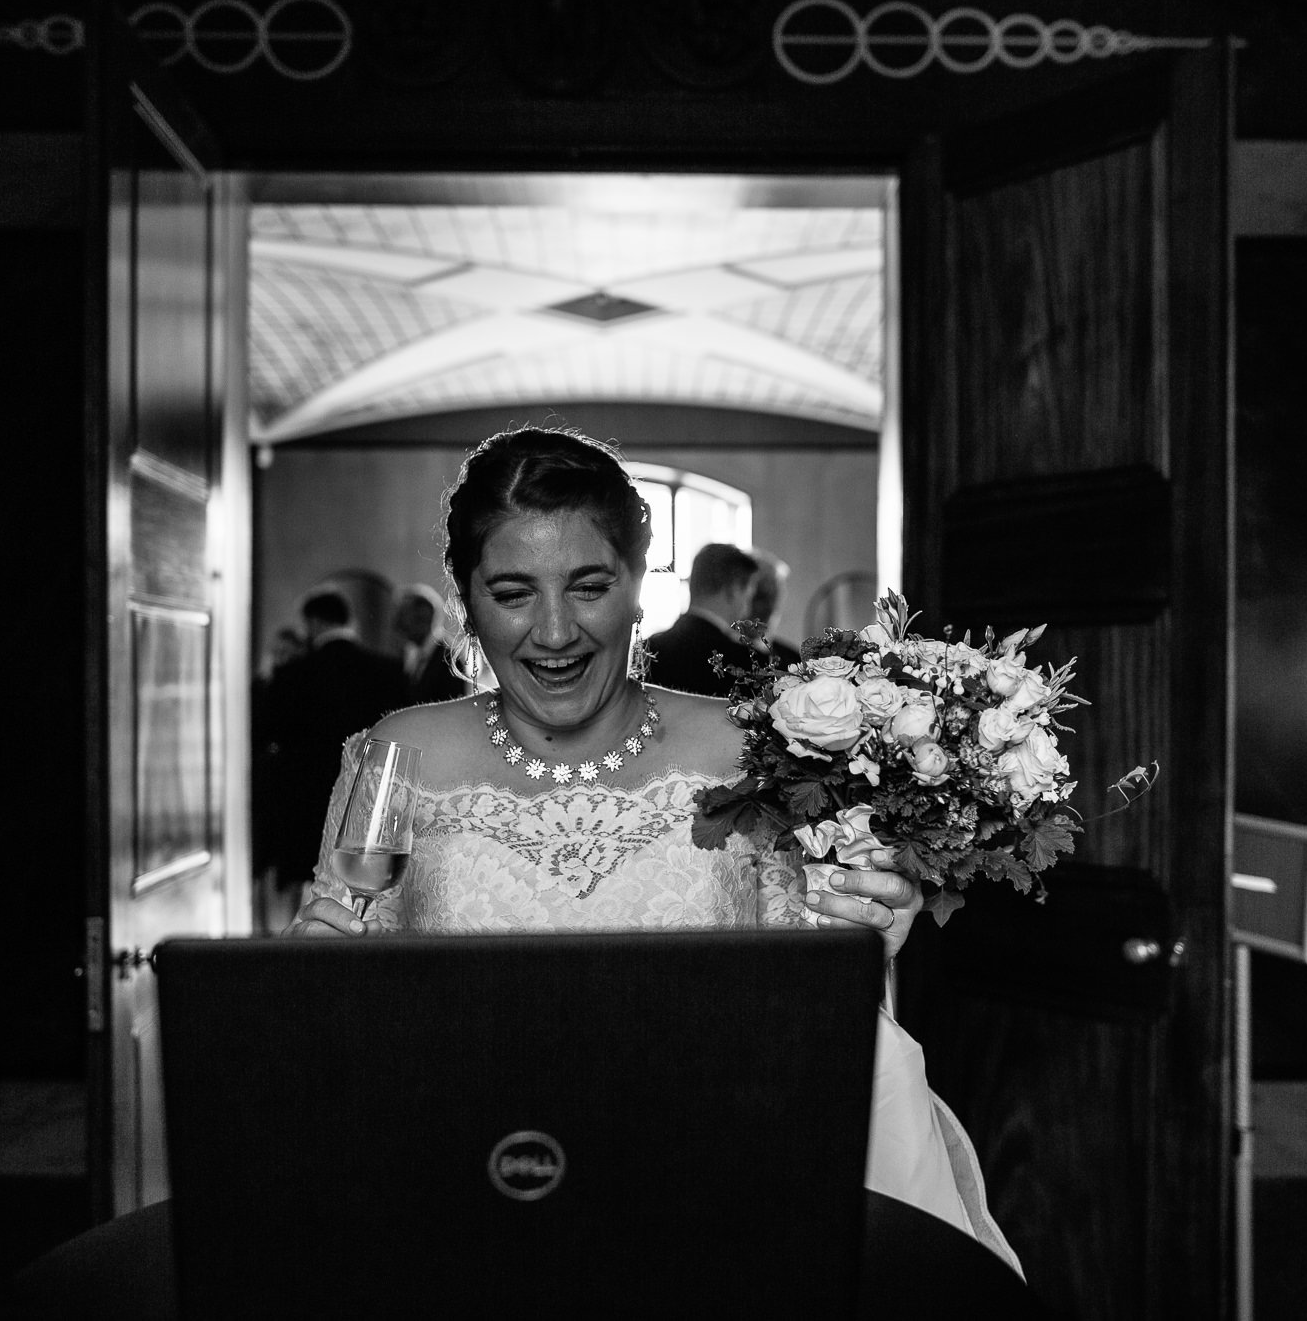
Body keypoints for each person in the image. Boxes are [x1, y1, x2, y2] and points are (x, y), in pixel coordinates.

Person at [286, 427, 1019, 1272]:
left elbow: (813, 1001)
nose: (554, 631)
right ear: (468, 597)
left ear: (640, 586)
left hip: (715, 1203)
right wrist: (311, 978)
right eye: (514, 592)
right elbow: (337, 973)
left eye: (590, 585)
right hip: (469, 1197)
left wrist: (865, 937)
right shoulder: (397, 756)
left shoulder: (753, 753)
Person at [255, 589, 409, 932]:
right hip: (372, 812)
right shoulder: (387, 670)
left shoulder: (294, 673)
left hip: (303, 803)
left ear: (313, 622)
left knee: (307, 896)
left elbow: (265, 734)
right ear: (347, 620)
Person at [643, 541, 763, 695]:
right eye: (749, 594)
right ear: (734, 590)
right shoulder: (744, 662)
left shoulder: (647, 650)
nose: (749, 605)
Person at [390, 581, 468, 707]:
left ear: (423, 617)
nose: (398, 624)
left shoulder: (450, 659)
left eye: (403, 615)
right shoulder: (410, 653)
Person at [750, 547, 803, 667]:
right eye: (760, 596)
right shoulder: (717, 657)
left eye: (772, 597)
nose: (767, 607)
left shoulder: (793, 661)